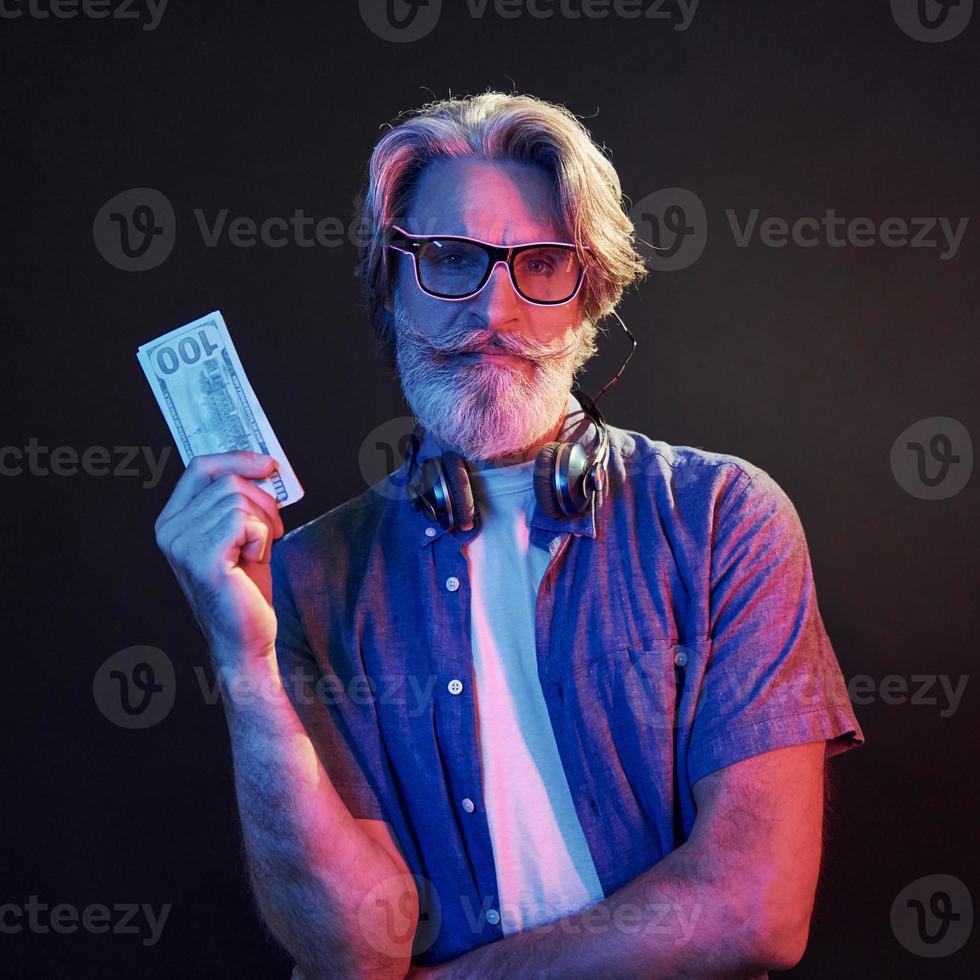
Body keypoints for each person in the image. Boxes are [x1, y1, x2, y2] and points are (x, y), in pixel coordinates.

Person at [153, 91, 864, 979]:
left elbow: (753, 908)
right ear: (392, 285)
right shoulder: (306, 579)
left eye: (542, 263)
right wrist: (245, 664)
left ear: (589, 293)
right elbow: (357, 947)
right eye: (450, 259)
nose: (494, 309)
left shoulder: (727, 519)